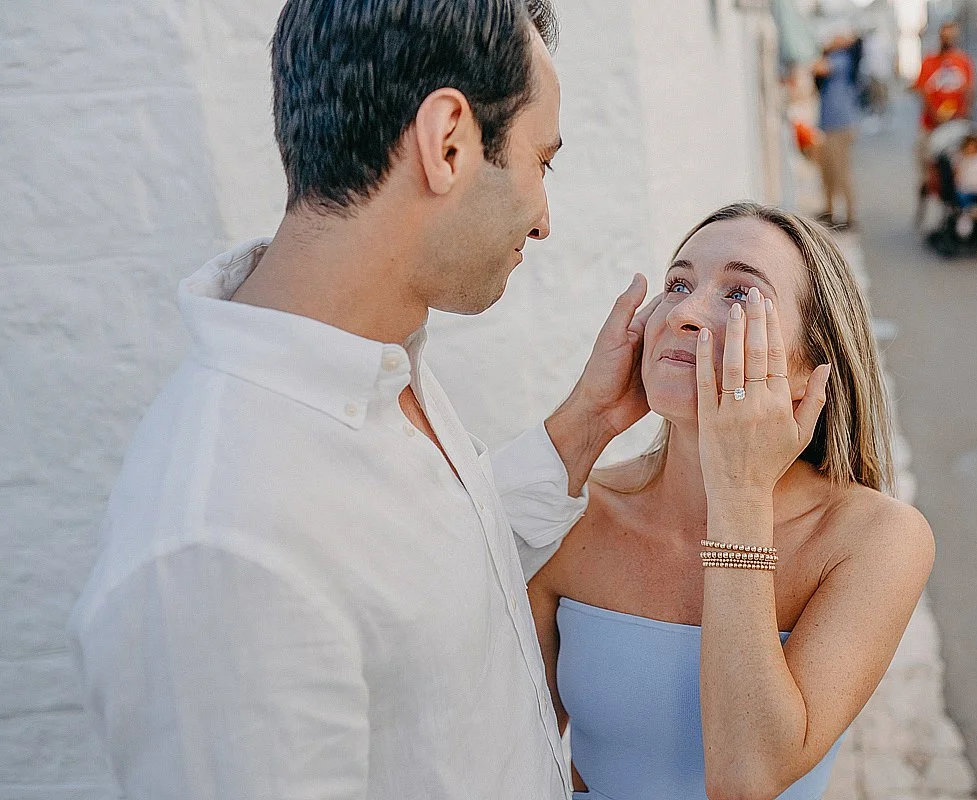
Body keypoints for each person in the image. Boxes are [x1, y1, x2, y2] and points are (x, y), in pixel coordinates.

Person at [66, 2, 663, 799]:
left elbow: (437, 580)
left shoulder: (378, 368)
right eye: (540, 162)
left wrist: (588, 424)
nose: (544, 218)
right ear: (447, 141)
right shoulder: (218, 547)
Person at [529, 203, 935, 800]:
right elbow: (513, 749)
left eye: (740, 294)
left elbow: (747, 779)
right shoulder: (574, 511)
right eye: (678, 284)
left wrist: (739, 495)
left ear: (809, 370)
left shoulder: (873, 539)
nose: (685, 314)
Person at [913, 22, 975, 203]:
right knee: (924, 154)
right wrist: (936, 115)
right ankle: (927, 185)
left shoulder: (963, 61)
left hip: (957, 123)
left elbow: (969, 91)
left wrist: (961, 113)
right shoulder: (929, 61)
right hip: (932, 123)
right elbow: (923, 91)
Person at [812, 22, 864, 229]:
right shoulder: (839, 58)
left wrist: (824, 48)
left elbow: (819, 68)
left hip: (840, 125)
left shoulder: (842, 59)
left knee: (841, 171)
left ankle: (850, 216)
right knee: (828, 171)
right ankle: (830, 210)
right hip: (830, 124)